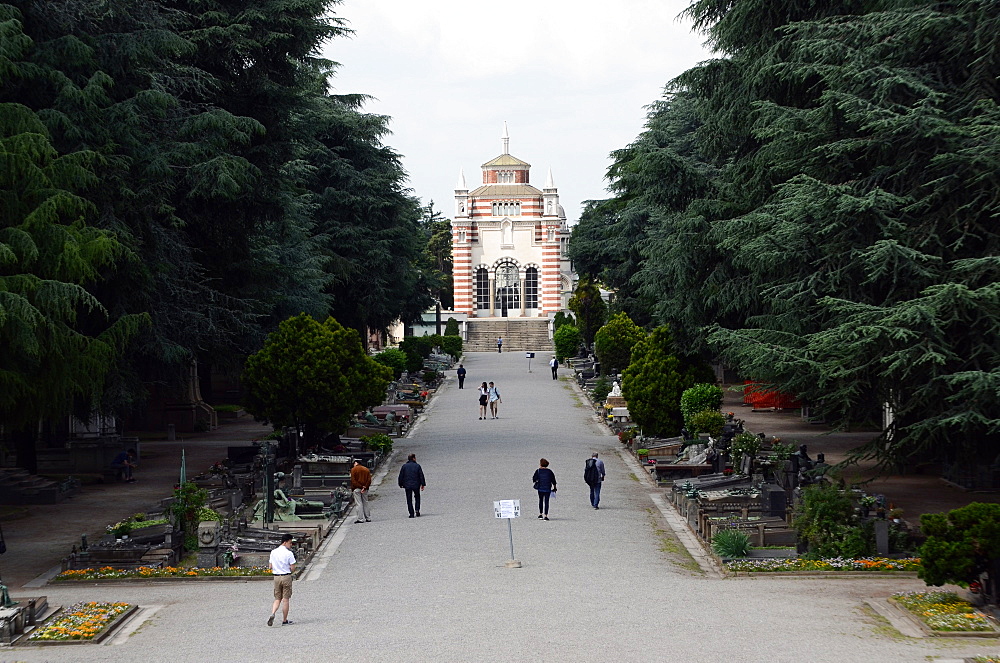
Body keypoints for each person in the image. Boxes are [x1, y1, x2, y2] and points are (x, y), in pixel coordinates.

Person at [267, 533, 296, 626]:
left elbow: (270, 566)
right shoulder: (289, 553)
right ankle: (284, 620)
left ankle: (273, 613)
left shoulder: (273, 552)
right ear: (285, 542)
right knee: (286, 599)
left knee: (277, 598)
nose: (291, 545)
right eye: (290, 543)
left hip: (276, 577)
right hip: (286, 576)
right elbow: (292, 567)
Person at [397, 453, 426, 518]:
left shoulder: (404, 466)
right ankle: (417, 509)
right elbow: (421, 475)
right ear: (413, 458)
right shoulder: (417, 466)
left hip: (407, 485)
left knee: (409, 499)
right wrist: (423, 484)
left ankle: (411, 513)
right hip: (416, 484)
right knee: (417, 496)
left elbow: (401, 476)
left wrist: (400, 484)